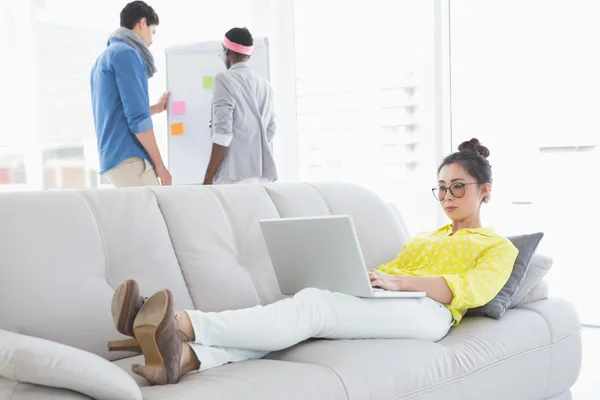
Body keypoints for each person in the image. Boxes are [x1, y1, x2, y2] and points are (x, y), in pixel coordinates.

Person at [107, 138, 518, 386]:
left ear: (485, 191)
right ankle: (183, 359)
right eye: (442, 188)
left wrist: (400, 284)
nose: (447, 197)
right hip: (393, 301)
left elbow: (465, 291)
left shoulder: (498, 247)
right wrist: (369, 279)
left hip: (431, 315)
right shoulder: (426, 237)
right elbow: (389, 274)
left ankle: (179, 323)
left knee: (315, 306)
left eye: (458, 188)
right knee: (302, 316)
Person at [91, 1, 172, 188]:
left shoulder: (104, 58)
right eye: (152, 32)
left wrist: (155, 109)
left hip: (112, 159)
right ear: (142, 23)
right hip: (129, 158)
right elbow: (138, 120)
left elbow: (116, 110)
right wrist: (160, 165)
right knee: (156, 214)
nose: (151, 41)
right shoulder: (127, 54)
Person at [203, 27, 277, 185]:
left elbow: (223, 132)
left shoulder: (223, 80)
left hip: (234, 176)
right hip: (262, 176)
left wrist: (208, 177)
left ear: (227, 52)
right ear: (248, 54)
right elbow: (271, 128)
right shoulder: (265, 85)